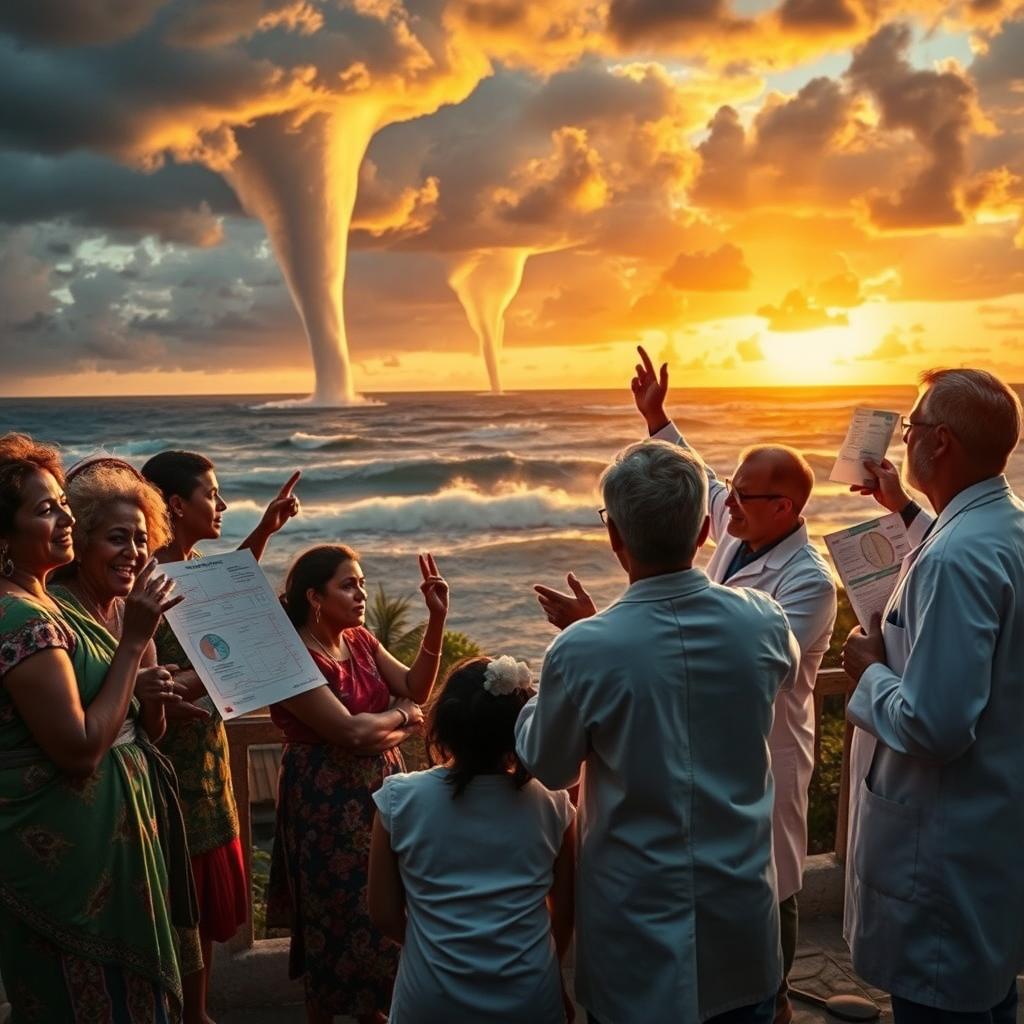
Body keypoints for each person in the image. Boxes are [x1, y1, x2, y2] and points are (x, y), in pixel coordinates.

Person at [537, 347, 837, 1023]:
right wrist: (658, 418)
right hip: (737, 916)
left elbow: (551, 764)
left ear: (613, 535)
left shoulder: (586, 649)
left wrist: (591, 639)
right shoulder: (761, 623)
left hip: (632, 927)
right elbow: (697, 484)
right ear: (707, 529)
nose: (728, 504)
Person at [841, 368, 1024, 1022]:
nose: (906, 438)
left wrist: (868, 673)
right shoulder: (1002, 530)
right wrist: (903, 510)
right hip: (984, 840)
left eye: (912, 427)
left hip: (942, 860)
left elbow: (937, 726)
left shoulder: (957, 558)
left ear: (940, 443)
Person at [0, 433, 192, 1021]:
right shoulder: (19, 616)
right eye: (46, 508)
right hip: (65, 869)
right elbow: (80, 750)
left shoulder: (47, 606)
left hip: (111, 846)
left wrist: (145, 682)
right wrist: (136, 643)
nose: (65, 516)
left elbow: (126, 716)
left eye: (63, 503)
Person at [141, 449, 301, 1023]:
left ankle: (198, 1015)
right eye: (212, 494)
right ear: (177, 505)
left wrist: (265, 530)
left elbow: (223, 602)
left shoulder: (189, 569)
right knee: (174, 910)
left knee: (203, 913)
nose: (223, 504)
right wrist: (199, 679)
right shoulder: (142, 582)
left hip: (207, 769)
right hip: (167, 775)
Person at [268, 544, 449, 1024]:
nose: (361, 593)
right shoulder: (293, 658)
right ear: (314, 597)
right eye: (348, 584)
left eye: (362, 583)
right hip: (325, 801)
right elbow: (349, 731)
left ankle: (379, 1014)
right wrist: (403, 718)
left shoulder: (361, 641)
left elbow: (417, 687)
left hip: (379, 789)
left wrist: (435, 620)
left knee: (385, 909)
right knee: (336, 913)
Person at [367, 655, 576, 1024]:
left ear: (444, 725)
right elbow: (564, 912)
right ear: (520, 728)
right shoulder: (552, 803)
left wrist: (434, 945)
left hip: (430, 997)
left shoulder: (399, 800)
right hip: (528, 996)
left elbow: (384, 914)